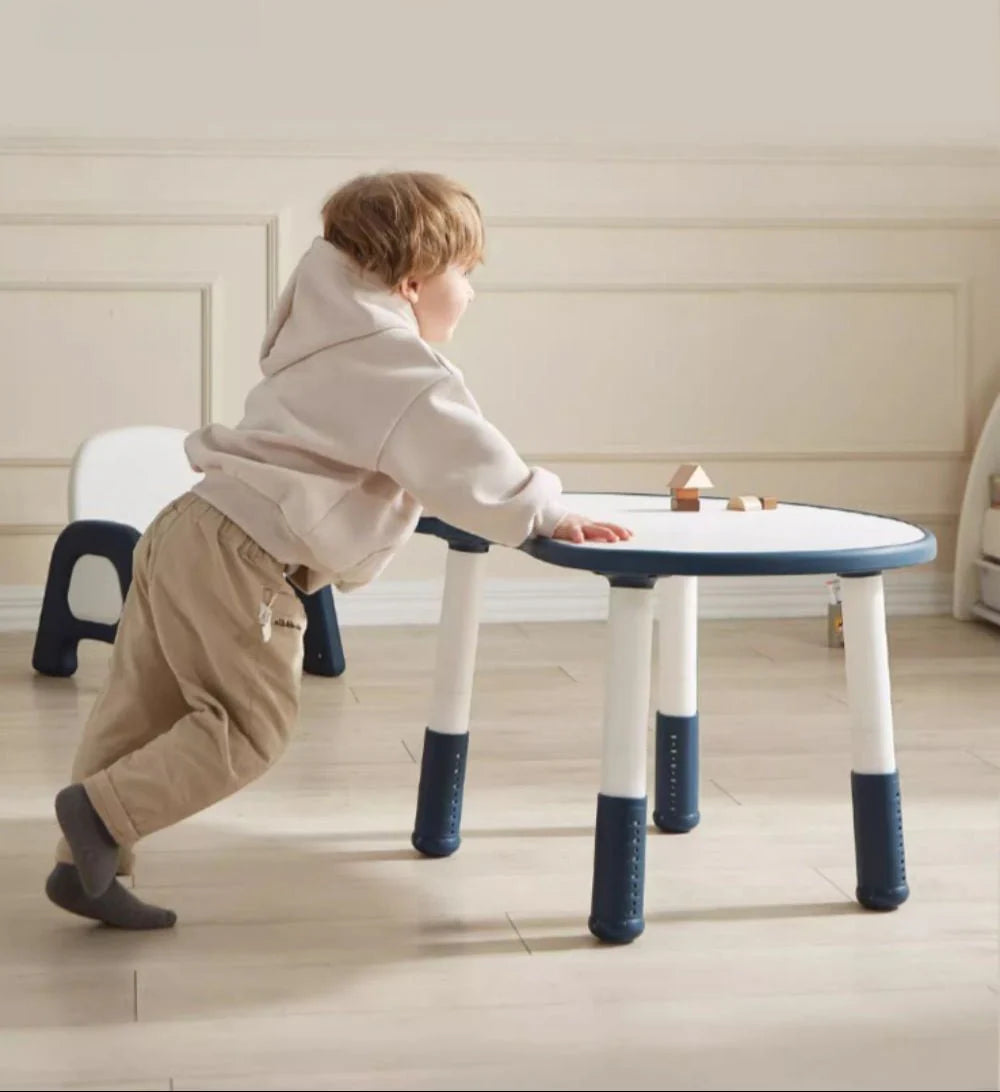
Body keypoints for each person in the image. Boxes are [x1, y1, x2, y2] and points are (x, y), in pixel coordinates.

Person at [46, 171, 631, 929]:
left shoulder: (321, 339)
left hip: (188, 526)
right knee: (249, 729)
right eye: (465, 273)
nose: (472, 293)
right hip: (245, 557)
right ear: (414, 282)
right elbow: (463, 454)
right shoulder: (399, 364)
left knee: (141, 707)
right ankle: (100, 817)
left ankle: (83, 865)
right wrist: (542, 510)